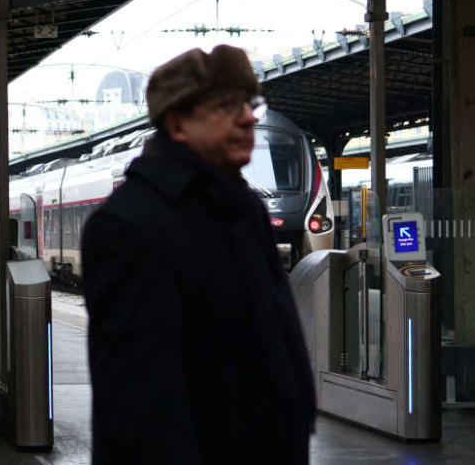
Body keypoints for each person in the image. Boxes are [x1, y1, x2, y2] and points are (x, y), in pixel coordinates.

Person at [81, 45, 316, 464]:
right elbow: (140, 408)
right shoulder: (128, 225)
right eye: (226, 106)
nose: (247, 117)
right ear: (178, 123)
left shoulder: (244, 210)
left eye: (250, 103)